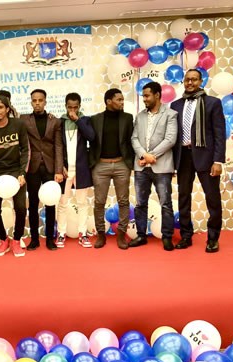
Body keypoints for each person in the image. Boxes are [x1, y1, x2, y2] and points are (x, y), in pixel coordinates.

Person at [171, 69, 226, 253]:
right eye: (187, 80)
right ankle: (186, 236)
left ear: (201, 81)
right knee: (183, 198)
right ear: (183, 82)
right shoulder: (175, 105)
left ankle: (213, 238)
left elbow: (219, 134)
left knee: (213, 199)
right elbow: (173, 135)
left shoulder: (213, 103)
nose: (190, 83)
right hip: (183, 157)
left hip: (207, 157)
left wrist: (218, 161)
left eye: (194, 79)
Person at [129, 82, 178, 251]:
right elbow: (134, 138)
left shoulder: (170, 114)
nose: (144, 99)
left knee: (166, 203)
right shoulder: (140, 116)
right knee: (140, 203)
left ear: (157, 95)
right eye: (143, 96)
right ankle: (141, 235)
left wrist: (151, 157)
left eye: (147, 95)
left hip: (162, 166)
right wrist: (144, 155)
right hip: (141, 167)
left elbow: (170, 139)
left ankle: (167, 237)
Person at [0, 95, 30, 257]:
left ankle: (16, 240)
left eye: (0, 107)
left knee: (21, 208)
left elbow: (25, 150)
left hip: (16, 172)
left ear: (7, 109)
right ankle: (3, 240)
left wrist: (22, 173)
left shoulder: (18, 125)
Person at [89, 88, 134, 250]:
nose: (122, 102)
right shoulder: (95, 119)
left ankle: (121, 234)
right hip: (100, 165)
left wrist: (131, 163)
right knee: (99, 202)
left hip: (122, 164)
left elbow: (131, 141)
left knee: (123, 201)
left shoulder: (128, 118)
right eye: (119, 99)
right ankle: (101, 234)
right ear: (109, 101)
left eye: (122, 99)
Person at [21, 88, 63, 251]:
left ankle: (50, 239)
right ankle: (34, 239)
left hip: (50, 167)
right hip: (32, 168)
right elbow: (6, 114)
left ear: (45, 101)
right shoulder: (24, 120)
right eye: (34, 100)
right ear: (31, 102)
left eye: (40, 100)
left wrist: (58, 170)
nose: (37, 103)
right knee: (32, 204)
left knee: (50, 203)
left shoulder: (55, 121)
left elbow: (58, 146)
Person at [56, 92, 96, 248]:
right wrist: (60, 166)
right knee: (62, 203)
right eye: (69, 107)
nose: (72, 110)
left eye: (75, 107)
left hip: (81, 168)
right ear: (65, 106)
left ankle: (83, 233)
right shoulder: (60, 122)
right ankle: (61, 233)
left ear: (79, 106)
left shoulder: (85, 120)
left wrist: (78, 120)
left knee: (82, 203)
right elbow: (57, 146)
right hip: (65, 170)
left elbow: (91, 137)